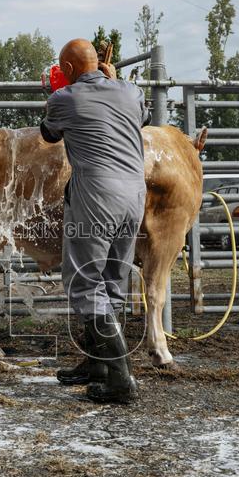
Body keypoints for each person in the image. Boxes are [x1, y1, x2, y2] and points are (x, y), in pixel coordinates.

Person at [40, 38, 150, 404]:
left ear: (67, 70)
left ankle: (121, 382)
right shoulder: (131, 93)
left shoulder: (64, 98)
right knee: (111, 282)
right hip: (134, 196)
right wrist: (114, 79)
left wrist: (64, 89)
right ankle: (97, 366)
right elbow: (142, 116)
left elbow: (48, 133)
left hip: (97, 198)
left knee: (86, 284)